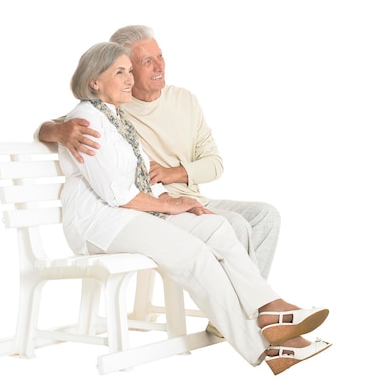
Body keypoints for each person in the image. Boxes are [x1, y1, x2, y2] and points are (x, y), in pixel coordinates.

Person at [58, 41, 331, 375]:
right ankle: (267, 348)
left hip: (132, 215)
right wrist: (167, 206)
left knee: (216, 227)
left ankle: (269, 308)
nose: (129, 78)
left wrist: (177, 200)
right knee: (193, 254)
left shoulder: (116, 119)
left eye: (130, 70)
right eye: (120, 72)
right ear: (94, 81)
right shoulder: (86, 121)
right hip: (101, 224)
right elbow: (117, 194)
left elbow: (143, 174)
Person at [36, 24, 279, 282]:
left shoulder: (185, 100)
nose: (159, 67)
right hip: (153, 205)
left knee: (266, 216)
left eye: (160, 56)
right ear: (125, 68)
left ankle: (257, 309)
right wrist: (57, 131)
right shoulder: (112, 109)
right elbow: (52, 128)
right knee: (235, 225)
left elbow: (215, 164)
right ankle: (248, 317)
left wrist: (171, 173)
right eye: (147, 61)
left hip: (191, 199)